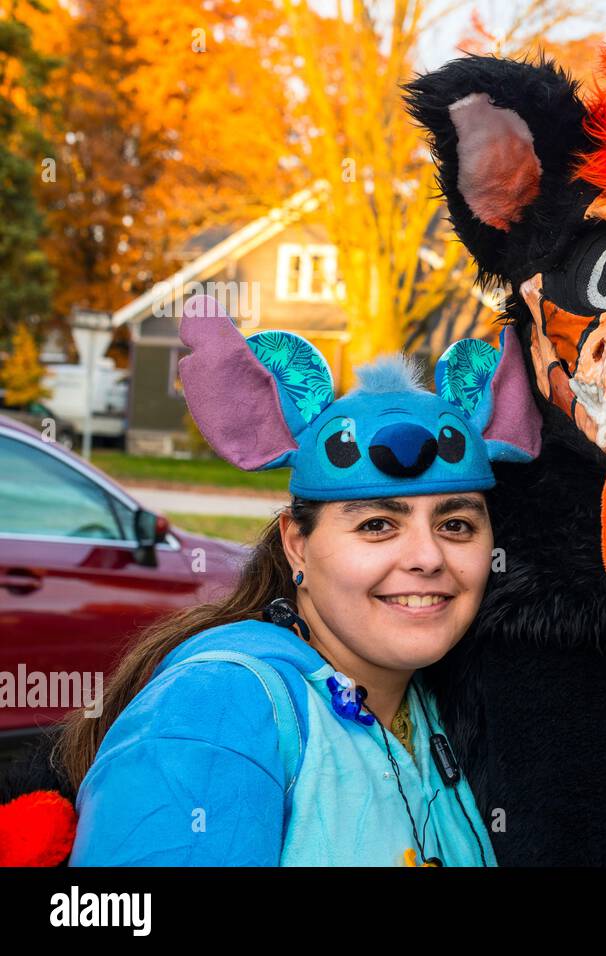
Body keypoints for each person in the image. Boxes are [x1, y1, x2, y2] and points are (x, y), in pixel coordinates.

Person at [18, 296, 540, 866]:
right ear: (298, 543)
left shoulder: (441, 709)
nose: (427, 557)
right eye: (377, 525)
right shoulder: (216, 711)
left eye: (457, 524)